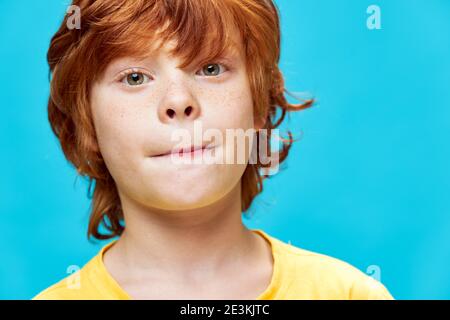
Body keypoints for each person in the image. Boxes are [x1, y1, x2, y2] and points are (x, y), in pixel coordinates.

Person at [33, 0, 393, 300]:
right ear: (88, 124)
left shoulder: (348, 294)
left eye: (210, 68)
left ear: (260, 104)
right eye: (134, 77)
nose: (178, 101)